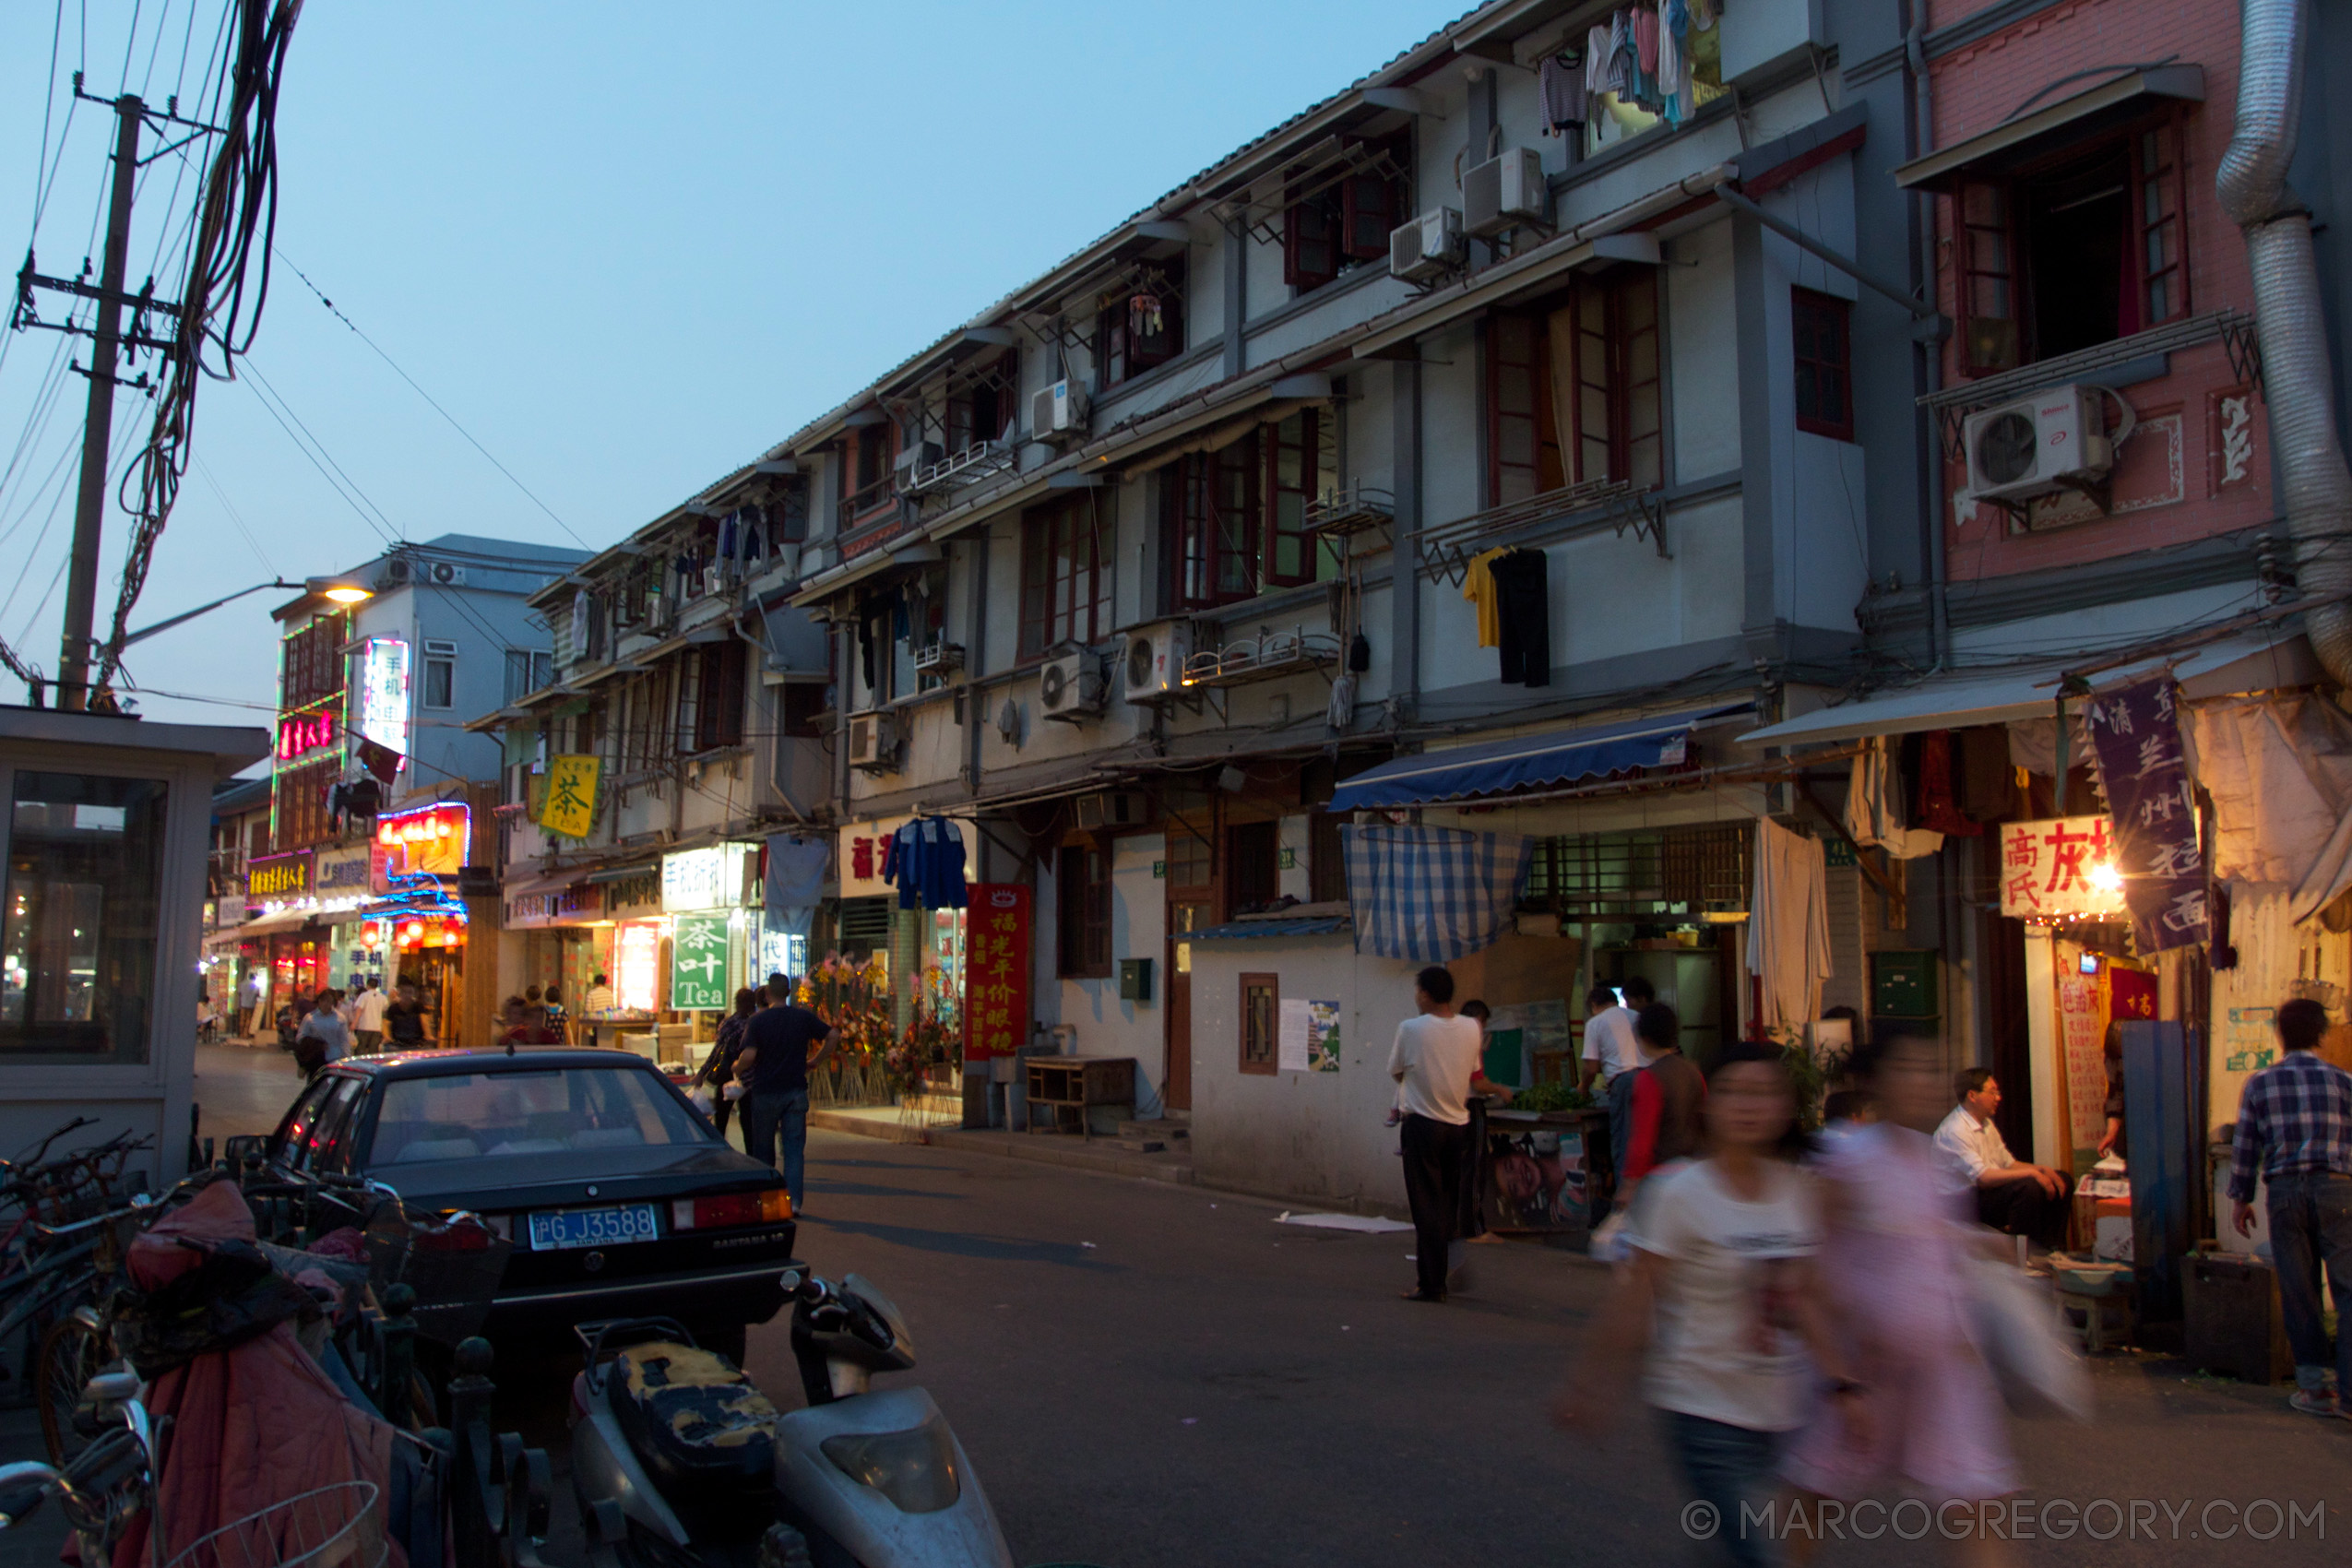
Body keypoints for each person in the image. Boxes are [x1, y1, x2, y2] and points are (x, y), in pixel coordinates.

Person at [1554, 1043, 1864, 1568]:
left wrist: (1844, 1384)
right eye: (1733, 1092)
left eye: (1763, 1093)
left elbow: (1804, 1296)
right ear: (1708, 1106)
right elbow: (1635, 1299)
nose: (1748, 1106)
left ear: (1786, 1108)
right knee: (1760, 1551)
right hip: (1701, 1408)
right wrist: (1592, 1384)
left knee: (1735, 1545)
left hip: (1780, 1408)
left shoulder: (1796, 1193)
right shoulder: (1679, 1192)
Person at [1783, 1031, 2024, 1565]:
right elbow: (1811, 1276)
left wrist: (1983, 1246)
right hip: (1864, 1365)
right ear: (1875, 1083)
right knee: (1817, 1499)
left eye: (1929, 1068)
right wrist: (1841, 1381)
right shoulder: (1844, 1159)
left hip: (1940, 1363)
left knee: (1978, 1502)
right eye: (1906, 1068)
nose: (1922, 1081)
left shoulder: (1929, 1158)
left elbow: (1929, 1243)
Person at [2227, 997, 2352, 1419]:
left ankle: (2315, 1390)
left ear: (2280, 1035)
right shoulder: (2344, 1082)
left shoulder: (2260, 1083)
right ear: (2321, 1033)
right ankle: (2350, 1396)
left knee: (2300, 1292)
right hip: (2338, 1191)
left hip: (2283, 1192)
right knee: (2349, 1291)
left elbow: (2246, 1144)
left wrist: (2240, 1198)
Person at [1385, 967, 1513, 1304]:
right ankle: (1448, 1263)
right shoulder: (1471, 1028)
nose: (1416, 996)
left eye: (1417, 990)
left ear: (1425, 994)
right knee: (1447, 1199)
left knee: (1425, 1203)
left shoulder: (1410, 1029)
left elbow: (1397, 1072)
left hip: (1422, 1124)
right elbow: (1475, 1074)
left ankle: (1431, 1283)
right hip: (1459, 1124)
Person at [1933, 1068, 2073, 1253]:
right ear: (1972, 1095)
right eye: (1993, 1092)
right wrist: (2033, 1174)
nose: (1998, 1098)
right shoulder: (1955, 1130)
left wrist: (2042, 1170)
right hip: (1961, 1202)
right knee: (2028, 1188)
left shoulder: (1987, 1124)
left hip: (1984, 1193)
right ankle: (2025, 1256)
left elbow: (2009, 1164)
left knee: (2061, 1178)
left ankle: (2052, 1248)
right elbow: (1983, 1178)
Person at [738, 975, 833, 1214]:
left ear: (767, 994)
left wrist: (736, 1068)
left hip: (765, 1092)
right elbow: (833, 1036)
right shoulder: (802, 1018)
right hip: (795, 1091)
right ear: (789, 992)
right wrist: (816, 1061)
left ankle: (767, 1202)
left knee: (763, 1150)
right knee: (793, 1150)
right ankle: (794, 1203)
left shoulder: (758, 1021)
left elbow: (749, 1056)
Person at [1619, 1003, 1706, 1212]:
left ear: (1644, 1038)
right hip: (1695, 1174)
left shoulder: (1649, 1079)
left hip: (1661, 1181)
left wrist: (1630, 1184)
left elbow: (1642, 1139)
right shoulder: (1694, 1072)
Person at [1581, 976, 1655, 1196]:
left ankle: (1625, 1201)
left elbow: (1591, 1068)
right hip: (1650, 1079)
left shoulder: (1596, 1023)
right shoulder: (1636, 1016)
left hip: (1624, 1083)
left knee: (1624, 1143)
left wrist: (1582, 1089)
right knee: (1646, 1139)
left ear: (1594, 1006)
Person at [695, 988, 762, 1143]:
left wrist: (702, 1073)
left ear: (737, 1003)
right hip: (751, 1078)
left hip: (727, 1074)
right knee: (748, 1122)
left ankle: (719, 1150)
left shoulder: (730, 1023)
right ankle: (751, 1157)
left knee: (721, 1118)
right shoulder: (758, 1022)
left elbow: (717, 1051)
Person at [292, 991, 350, 1077]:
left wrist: (347, 1060)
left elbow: (344, 1041)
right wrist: (315, 1044)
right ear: (319, 1001)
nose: (327, 1004)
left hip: (334, 1059)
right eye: (324, 1001)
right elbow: (300, 1037)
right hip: (316, 1059)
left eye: (330, 1001)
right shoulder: (310, 1018)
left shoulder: (340, 1018)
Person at [384, 984, 430, 1049]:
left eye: (410, 993)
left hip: (415, 1043)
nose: (407, 995)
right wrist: (387, 1036)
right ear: (400, 994)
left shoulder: (418, 1006)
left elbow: (424, 1020)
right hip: (397, 1043)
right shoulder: (393, 1008)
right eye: (404, 992)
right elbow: (386, 1023)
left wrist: (428, 1034)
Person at [350, 980, 388, 1054]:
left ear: (367, 985)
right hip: (377, 1028)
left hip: (364, 1027)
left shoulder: (364, 996)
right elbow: (384, 1011)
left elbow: (359, 1010)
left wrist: (354, 1023)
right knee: (373, 1051)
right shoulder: (383, 997)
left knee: (360, 1050)